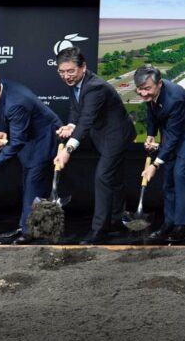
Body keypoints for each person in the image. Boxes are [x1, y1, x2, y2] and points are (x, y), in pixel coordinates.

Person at [0, 70, 62, 244]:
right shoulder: (3, 88)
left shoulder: (16, 102)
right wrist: (4, 131)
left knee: (33, 183)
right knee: (28, 181)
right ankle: (25, 226)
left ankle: (28, 233)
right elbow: (5, 114)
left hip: (44, 138)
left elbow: (17, 142)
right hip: (30, 137)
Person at [53, 46, 136, 245]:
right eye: (61, 72)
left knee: (103, 177)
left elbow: (87, 120)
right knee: (113, 179)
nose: (66, 76)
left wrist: (68, 150)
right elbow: (76, 110)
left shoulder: (95, 87)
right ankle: (116, 222)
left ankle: (99, 231)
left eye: (70, 71)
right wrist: (70, 125)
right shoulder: (75, 83)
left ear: (83, 67)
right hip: (103, 134)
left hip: (116, 135)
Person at [135, 65, 185, 243]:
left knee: (180, 173)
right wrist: (151, 135)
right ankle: (169, 222)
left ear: (159, 84)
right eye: (139, 89)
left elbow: (175, 138)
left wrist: (154, 165)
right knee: (168, 177)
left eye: (147, 89)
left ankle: (182, 226)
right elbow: (151, 111)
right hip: (171, 131)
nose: (143, 93)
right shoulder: (151, 93)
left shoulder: (175, 98)